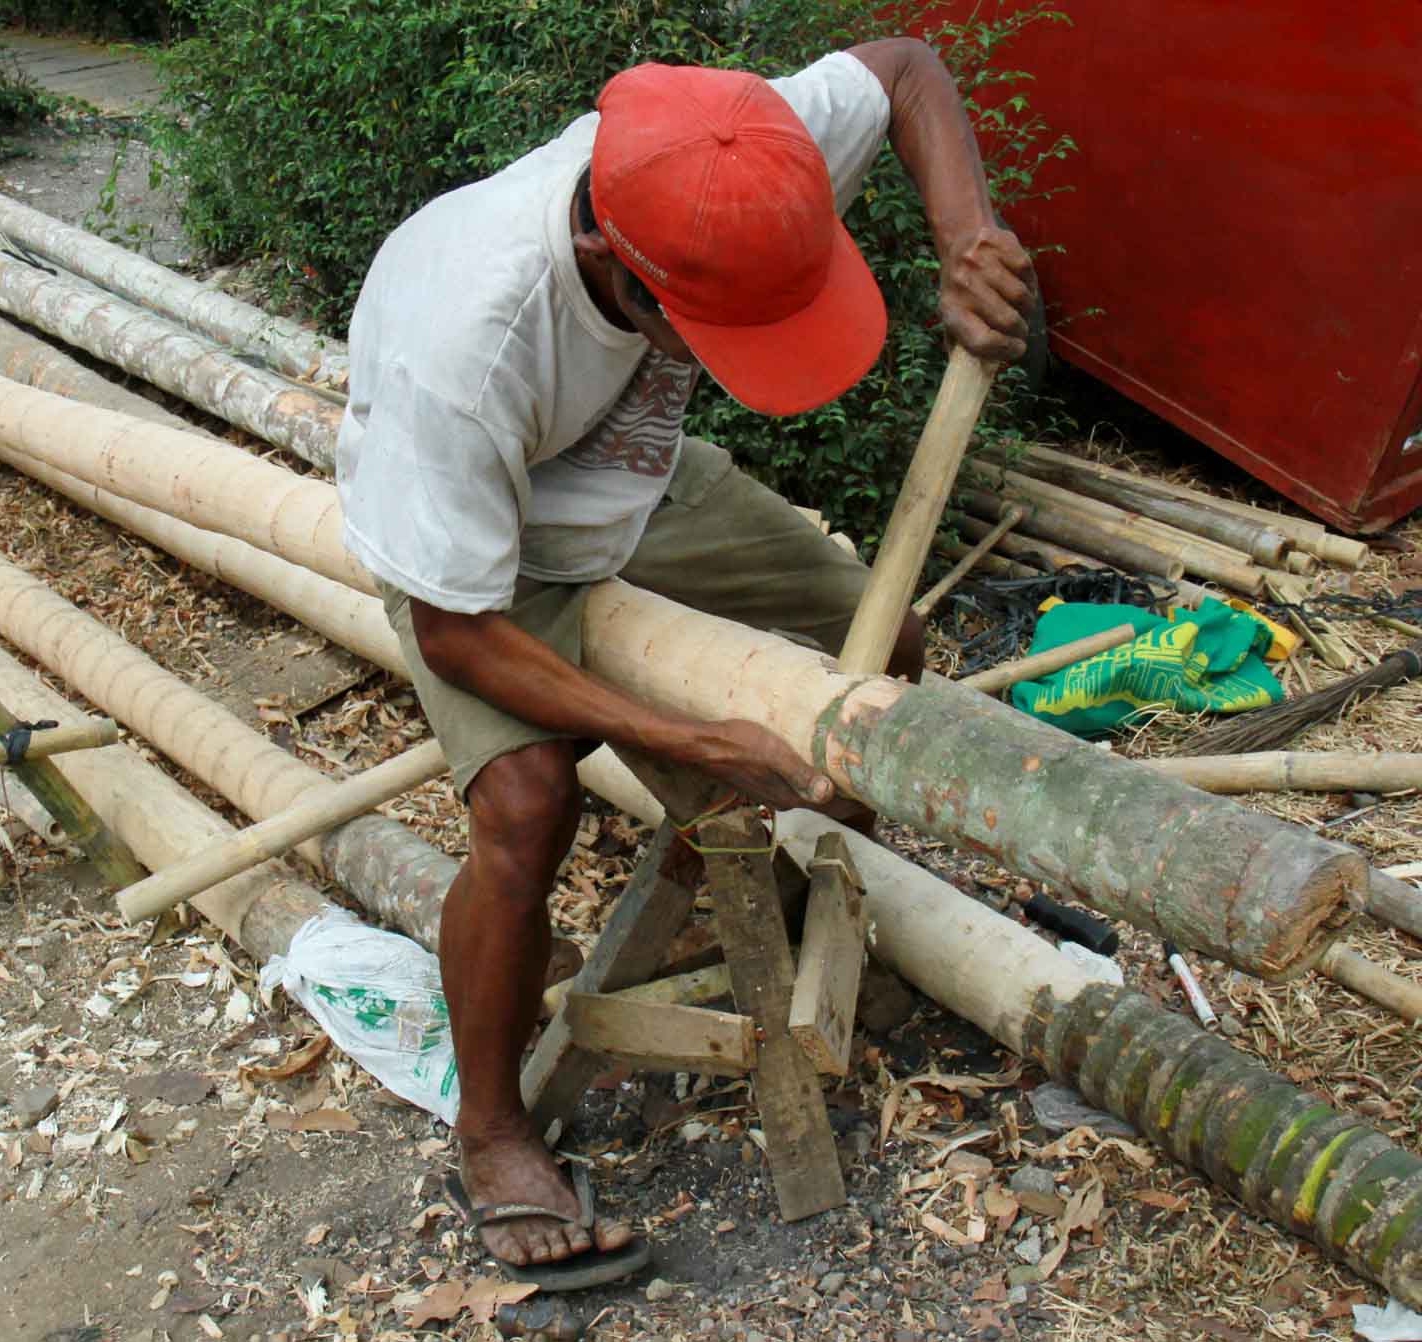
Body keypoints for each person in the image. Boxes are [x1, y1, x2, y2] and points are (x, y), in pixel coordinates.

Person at [334, 37, 1035, 1284]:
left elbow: (909, 69)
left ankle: (818, 879)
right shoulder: (463, 347)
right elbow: (454, 629)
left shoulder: (736, 156)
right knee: (525, 804)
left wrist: (963, 234)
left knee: (888, 643)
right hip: (492, 554)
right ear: (609, 257)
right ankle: (491, 1128)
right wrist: (690, 739)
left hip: (634, 476)